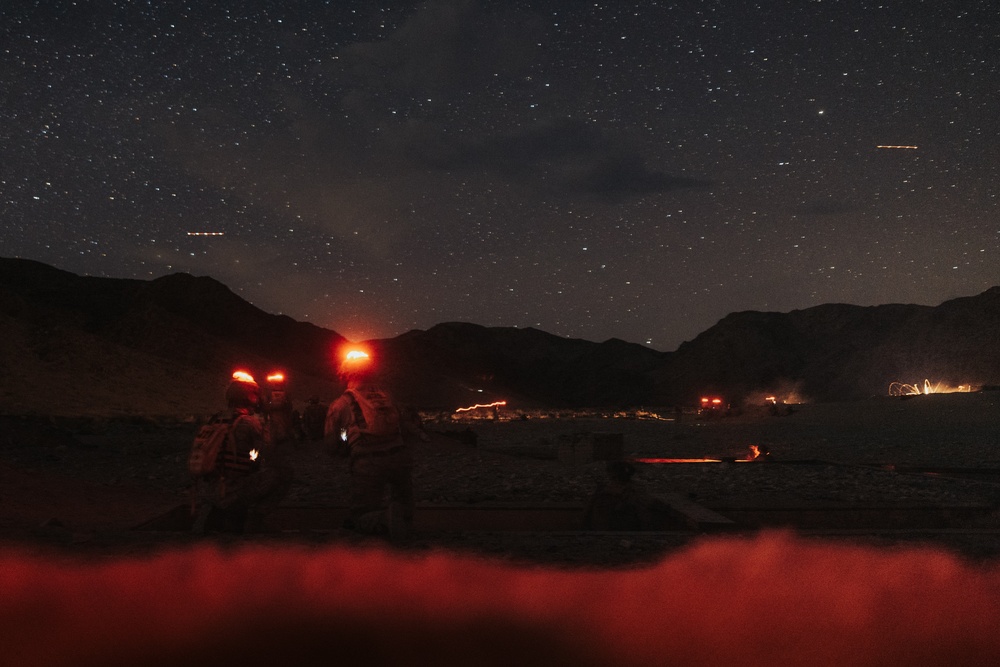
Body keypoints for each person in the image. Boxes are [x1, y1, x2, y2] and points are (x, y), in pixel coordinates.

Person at [324, 350, 416, 542]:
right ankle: (405, 532)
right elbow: (405, 426)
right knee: (404, 502)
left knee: (363, 513)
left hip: (368, 462)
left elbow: (331, 442)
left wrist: (344, 449)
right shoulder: (387, 396)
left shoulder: (342, 403)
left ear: (345, 373)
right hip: (400, 456)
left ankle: (384, 521)